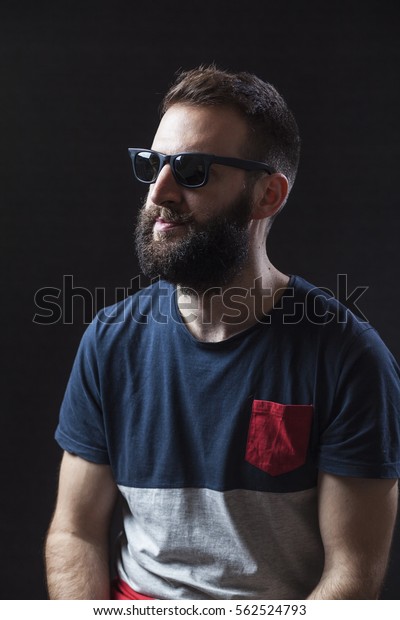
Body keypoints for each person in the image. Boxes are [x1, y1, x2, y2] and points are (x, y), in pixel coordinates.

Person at [45, 65, 400, 600]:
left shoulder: (348, 358)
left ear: (268, 195)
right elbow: (74, 534)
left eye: (192, 171)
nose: (160, 191)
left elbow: (351, 573)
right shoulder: (109, 341)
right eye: (153, 165)